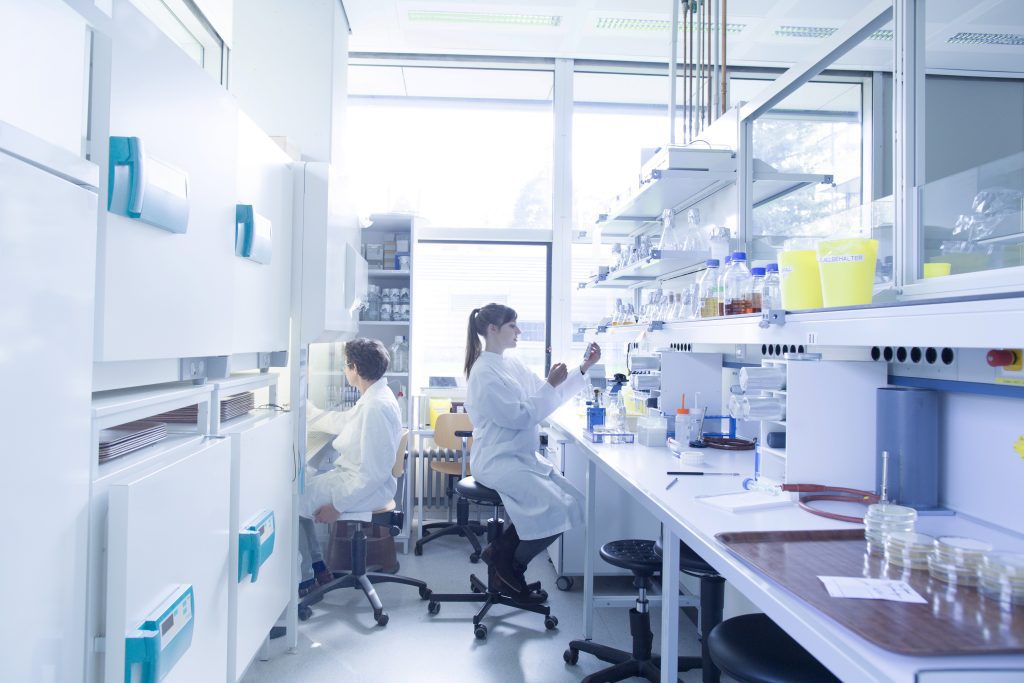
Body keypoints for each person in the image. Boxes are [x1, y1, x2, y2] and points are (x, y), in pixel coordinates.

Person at [464, 304, 601, 601]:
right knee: (556, 507)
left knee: (572, 503)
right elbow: (519, 416)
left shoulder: (510, 365)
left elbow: (548, 395)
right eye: (513, 325)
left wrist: (582, 369)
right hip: (496, 459)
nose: (519, 331)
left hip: (518, 456)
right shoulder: (483, 372)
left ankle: (501, 556)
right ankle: (509, 565)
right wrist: (550, 385)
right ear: (493, 330)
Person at [300, 338, 403, 596]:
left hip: (366, 487)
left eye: (346, 365)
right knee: (301, 486)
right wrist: (309, 412)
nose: (345, 371)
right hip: (361, 481)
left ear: (355, 368)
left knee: (292, 497)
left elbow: (372, 474)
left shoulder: (375, 407)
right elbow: (346, 422)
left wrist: (337, 507)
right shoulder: (375, 396)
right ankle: (316, 565)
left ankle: (305, 578)